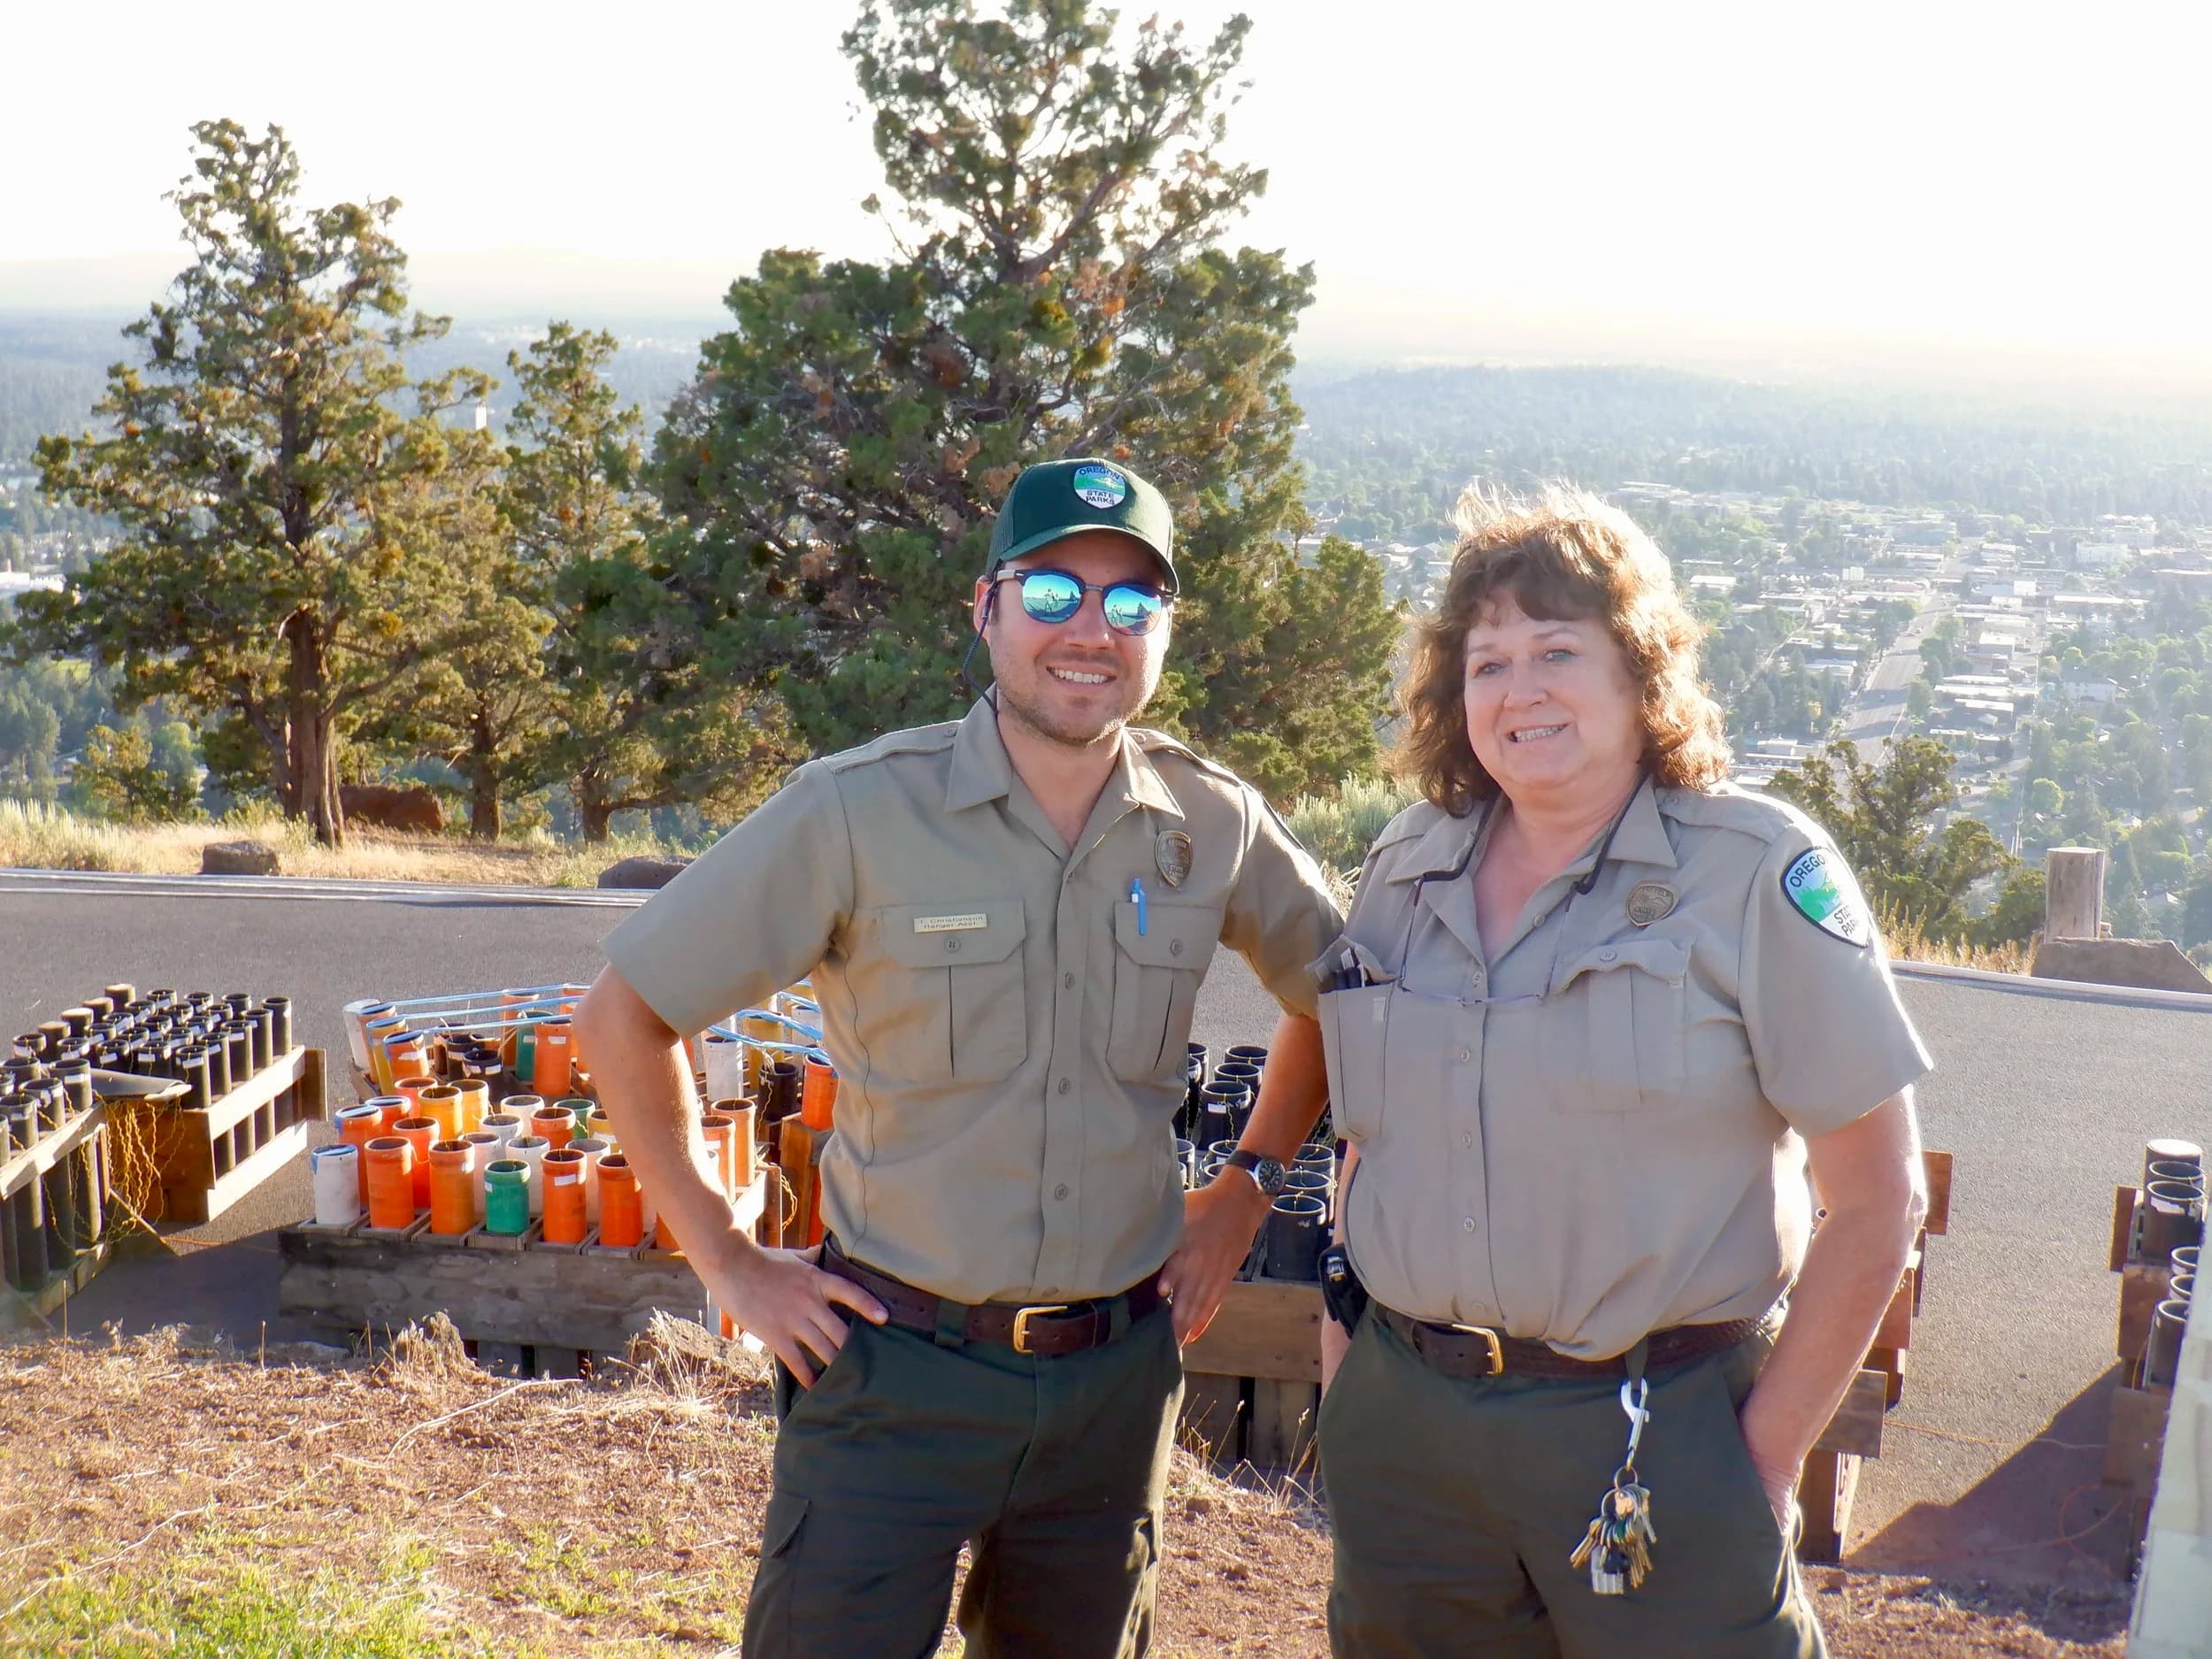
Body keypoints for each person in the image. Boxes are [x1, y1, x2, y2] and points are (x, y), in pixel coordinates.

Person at [573, 456, 1340, 1659]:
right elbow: (623, 1015)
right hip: (894, 1373)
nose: (1092, 632)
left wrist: (1244, 1192)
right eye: (1053, 595)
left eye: (1131, 606)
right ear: (986, 607)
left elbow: (1342, 1001)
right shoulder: (857, 813)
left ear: (1163, 633)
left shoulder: (1212, 822)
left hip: (1112, 1386)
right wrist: (727, 1260)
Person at [1313, 486, 1932, 1659]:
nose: (1521, 688)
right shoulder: (1407, 863)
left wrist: (1763, 1451)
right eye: (1488, 661)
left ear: (1640, 675)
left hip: (1653, 1434)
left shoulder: (1754, 870)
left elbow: (1881, 1195)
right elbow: (1368, 1139)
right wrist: (1350, 1368)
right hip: (1407, 1434)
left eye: (1558, 650)